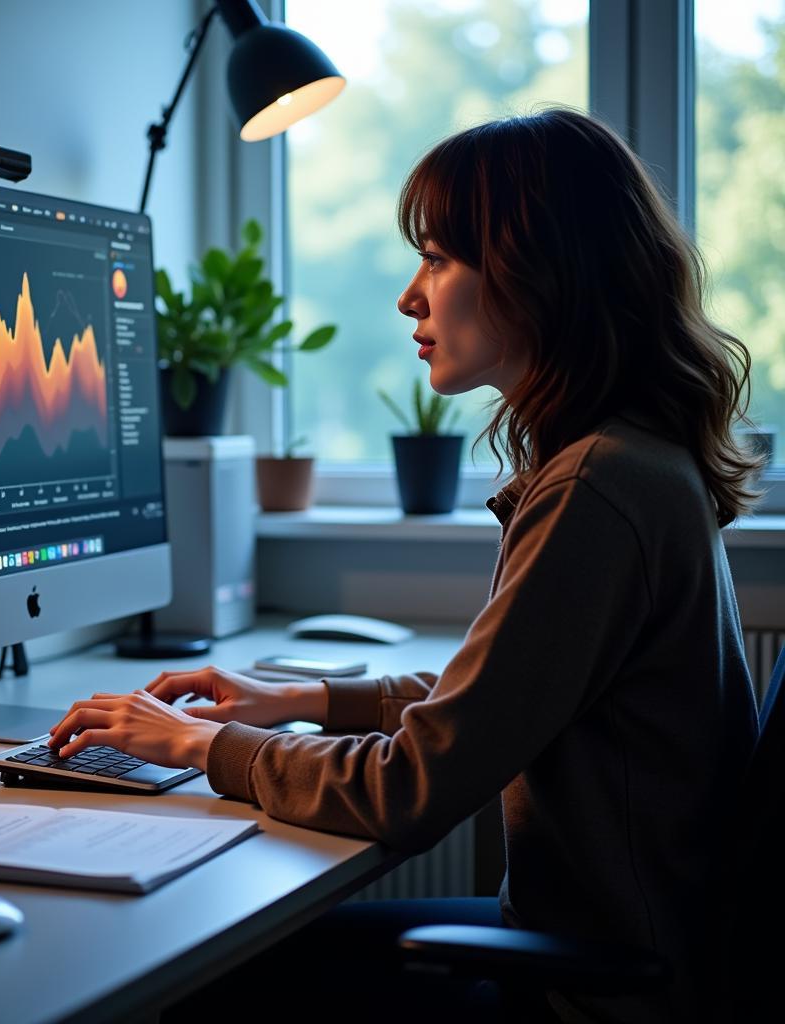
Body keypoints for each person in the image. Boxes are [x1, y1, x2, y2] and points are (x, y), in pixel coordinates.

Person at [48, 108, 764, 1023]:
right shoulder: (630, 458)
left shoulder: (598, 486)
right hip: (619, 947)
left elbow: (408, 790)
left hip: (595, 995)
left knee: (203, 981)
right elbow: (509, 694)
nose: (409, 297)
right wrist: (302, 701)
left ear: (539, 273)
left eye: (437, 258)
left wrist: (197, 745)